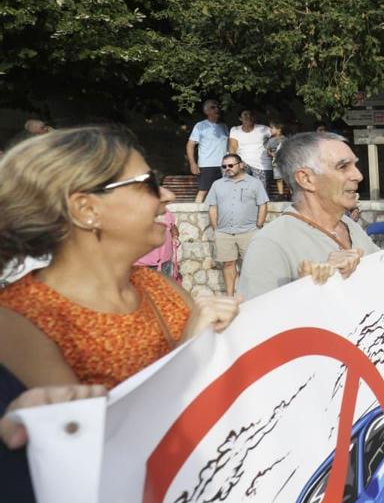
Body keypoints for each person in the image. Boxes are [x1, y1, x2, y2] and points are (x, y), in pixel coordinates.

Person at [0, 126, 240, 390]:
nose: (168, 196)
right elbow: (94, 429)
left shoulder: (157, 285)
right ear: (86, 209)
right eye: (149, 184)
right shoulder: (20, 319)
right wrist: (190, 347)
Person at [238, 132, 377, 300]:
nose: (358, 176)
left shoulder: (348, 224)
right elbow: (258, 322)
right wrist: (308, 289)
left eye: (355, 166)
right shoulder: (269, 245)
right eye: (343, 167)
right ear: (306, 179)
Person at [204, 154, 269, 296]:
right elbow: (212, 207)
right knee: (228, 264)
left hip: (249, 231)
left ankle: (252, 295)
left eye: (231, 165)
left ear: (241, 165)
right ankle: (230, 296)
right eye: (224, 166)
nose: (227, 168)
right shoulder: (217, 184)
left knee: (251, 265)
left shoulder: (255, 183)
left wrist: (259, 225)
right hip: (224, 233)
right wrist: (216, 229)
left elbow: (263, 204)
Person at [186, 99, 230, 203]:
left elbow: (228, 145)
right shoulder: (200, 126)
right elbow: (190, 145)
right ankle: (197, 217)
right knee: (203, 191)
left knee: (224, 192)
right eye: (213, 107)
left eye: (217, 107)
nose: (217, 109)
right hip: (207, 165)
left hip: (224, 165)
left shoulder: (224, 126)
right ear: (206, 111)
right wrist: (192, 163)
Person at [228, 109, 273, 189]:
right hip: (243, 165)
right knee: (240, 190)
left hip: (262, 166)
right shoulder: (235, 130)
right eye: (245, 115)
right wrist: (235, 163)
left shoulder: (264, 129)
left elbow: (277, 139)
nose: (248, 117)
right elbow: (232, 148)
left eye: (251, 115)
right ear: (240, 118)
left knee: (261, 193)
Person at [134, 208, 181, 283]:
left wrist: (175, 237)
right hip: (144, 264)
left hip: (165, 262)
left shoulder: (166, 212)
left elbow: (173, 227)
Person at [265, 120, 287, 196]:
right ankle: (281, 195)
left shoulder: (286, 139)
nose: (270, 130)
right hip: (276, 163)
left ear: (279, 129)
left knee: (287, 179)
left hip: (285, 162)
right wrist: (272, 154)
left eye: (272, 128)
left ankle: (292, 194)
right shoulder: (270, 141)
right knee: (279, 179)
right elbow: (268, 151)